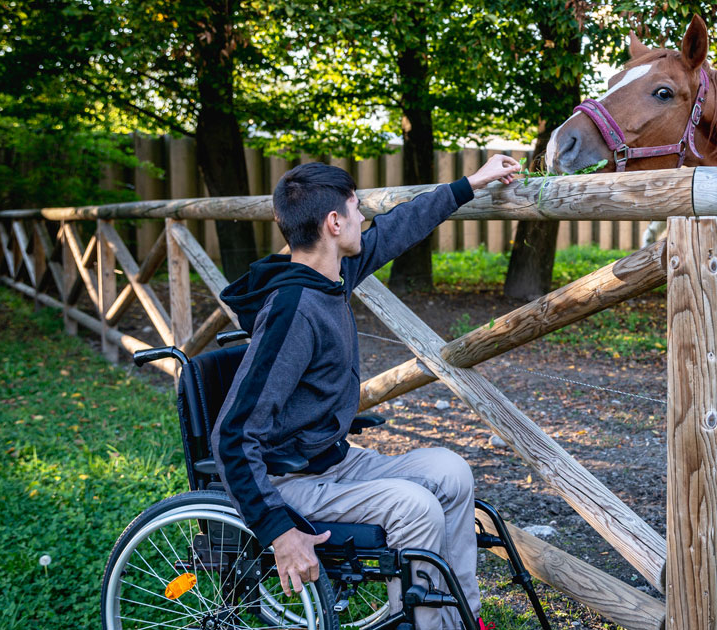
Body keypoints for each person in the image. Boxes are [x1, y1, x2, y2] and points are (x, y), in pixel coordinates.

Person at [210, 154, 520, 629]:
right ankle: (424, 625)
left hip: (334, 460)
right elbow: (232, 436)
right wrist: (279, 531)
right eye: (357, 211)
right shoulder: (294, 309)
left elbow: (399, 227)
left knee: (451, 471)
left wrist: (471, 183)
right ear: (334, 222)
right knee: (415, 506)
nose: (363, 219)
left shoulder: (331, 278)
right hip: (292, 481)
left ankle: (460, 620)